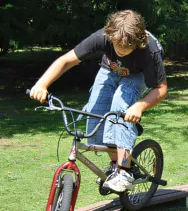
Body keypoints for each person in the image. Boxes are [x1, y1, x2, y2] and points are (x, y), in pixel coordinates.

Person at [29, 10, 168, 193]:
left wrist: (140, 106)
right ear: (110, 35)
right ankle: (114, 165)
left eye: (126, 47)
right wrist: (42, 84)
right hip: (109, 71)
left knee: (120, 103)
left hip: (137, 75)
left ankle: (124, 171)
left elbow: (161, 89)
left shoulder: (149, 50)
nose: (120, 50)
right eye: (117, 45)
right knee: (95, 118)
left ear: (137, 42)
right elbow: (67, 60)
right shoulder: (103, 37)